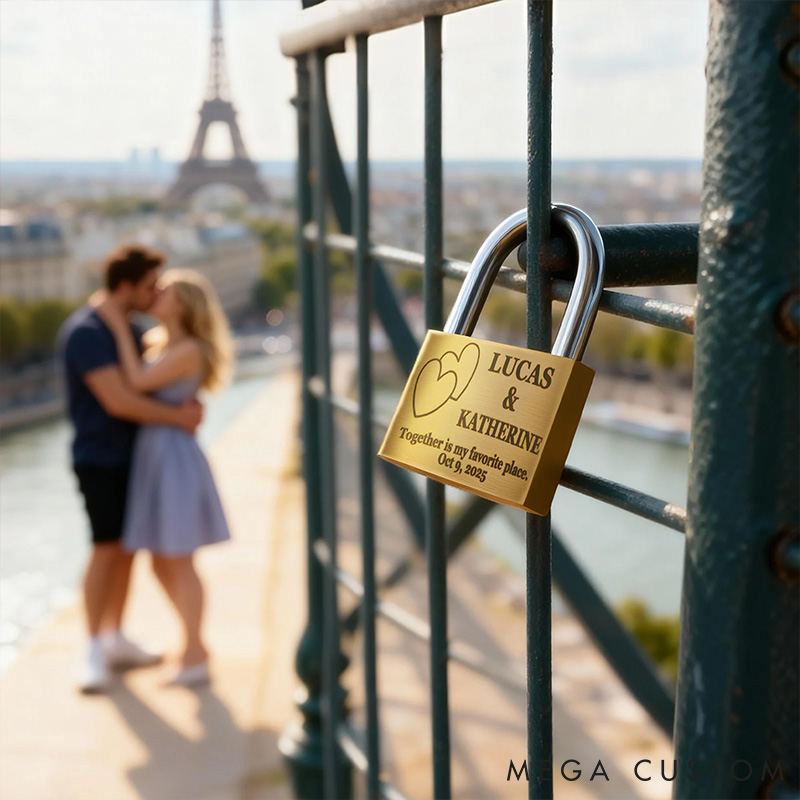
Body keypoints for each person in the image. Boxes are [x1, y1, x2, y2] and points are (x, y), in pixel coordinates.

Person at [57, 245, 203, 694]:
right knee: (106, 549)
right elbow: (120, 399)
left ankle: (113, 637)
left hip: (134, 457)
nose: (156, 291)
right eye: (150, 285)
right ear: (126, 286)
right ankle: (93, 649)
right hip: (101, 458)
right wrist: (180, 418)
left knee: (125, 551)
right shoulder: (86, 332)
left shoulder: (132, 329)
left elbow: (161, 378)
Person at [94, 268, 233, 687]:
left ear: (185, 303)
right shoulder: (165, 344)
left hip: (171, 458)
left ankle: (193, 653)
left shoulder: (188, 348)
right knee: (160, 561)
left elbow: (136, 381)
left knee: (179, 559)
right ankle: (195, 644)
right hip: (159, 455)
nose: (156, 294)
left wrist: (117, 324)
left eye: (166, 290)